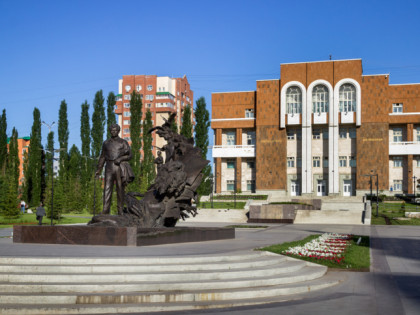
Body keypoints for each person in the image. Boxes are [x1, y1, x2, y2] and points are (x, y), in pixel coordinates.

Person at [95, 124, 134, 215]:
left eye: (115, 130)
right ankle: (105, 209)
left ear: (118, 131)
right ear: (109, 131)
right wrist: (98, 170)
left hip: (118, 167)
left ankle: (120, 209)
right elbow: (102, 157)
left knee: (120, 188)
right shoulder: (106, 143)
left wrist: (121, 159)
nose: (113, 132)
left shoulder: (123, 142)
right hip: (108, 166)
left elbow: (130, 155)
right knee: (107, 188)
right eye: (112, 130)